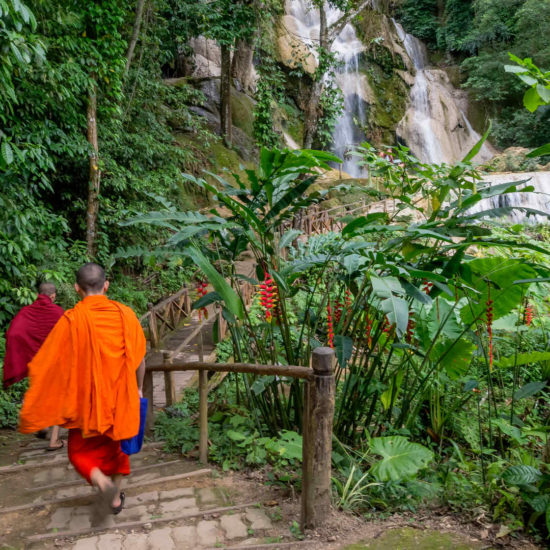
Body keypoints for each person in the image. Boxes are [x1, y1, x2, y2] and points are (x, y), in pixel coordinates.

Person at [19, 263, 146, 514]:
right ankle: (115, 499)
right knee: (118, 450)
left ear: (77, 289)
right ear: (106, 285)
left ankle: (101, 481)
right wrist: (139, 389)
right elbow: (140, 357)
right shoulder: (125, 315)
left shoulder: (70, 320)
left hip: (85, 403)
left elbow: (51, 364)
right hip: (121, 396)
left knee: (78, 453)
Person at [3, 282, 65, 450]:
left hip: (35, 364)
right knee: (58, 398)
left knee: (40, 394)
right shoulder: (58, 312)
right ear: (52, 296)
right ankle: (54, 440)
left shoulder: (26, 312)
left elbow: (14, 332)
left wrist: (25, 354)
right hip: (53, 363)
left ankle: (43, 427)